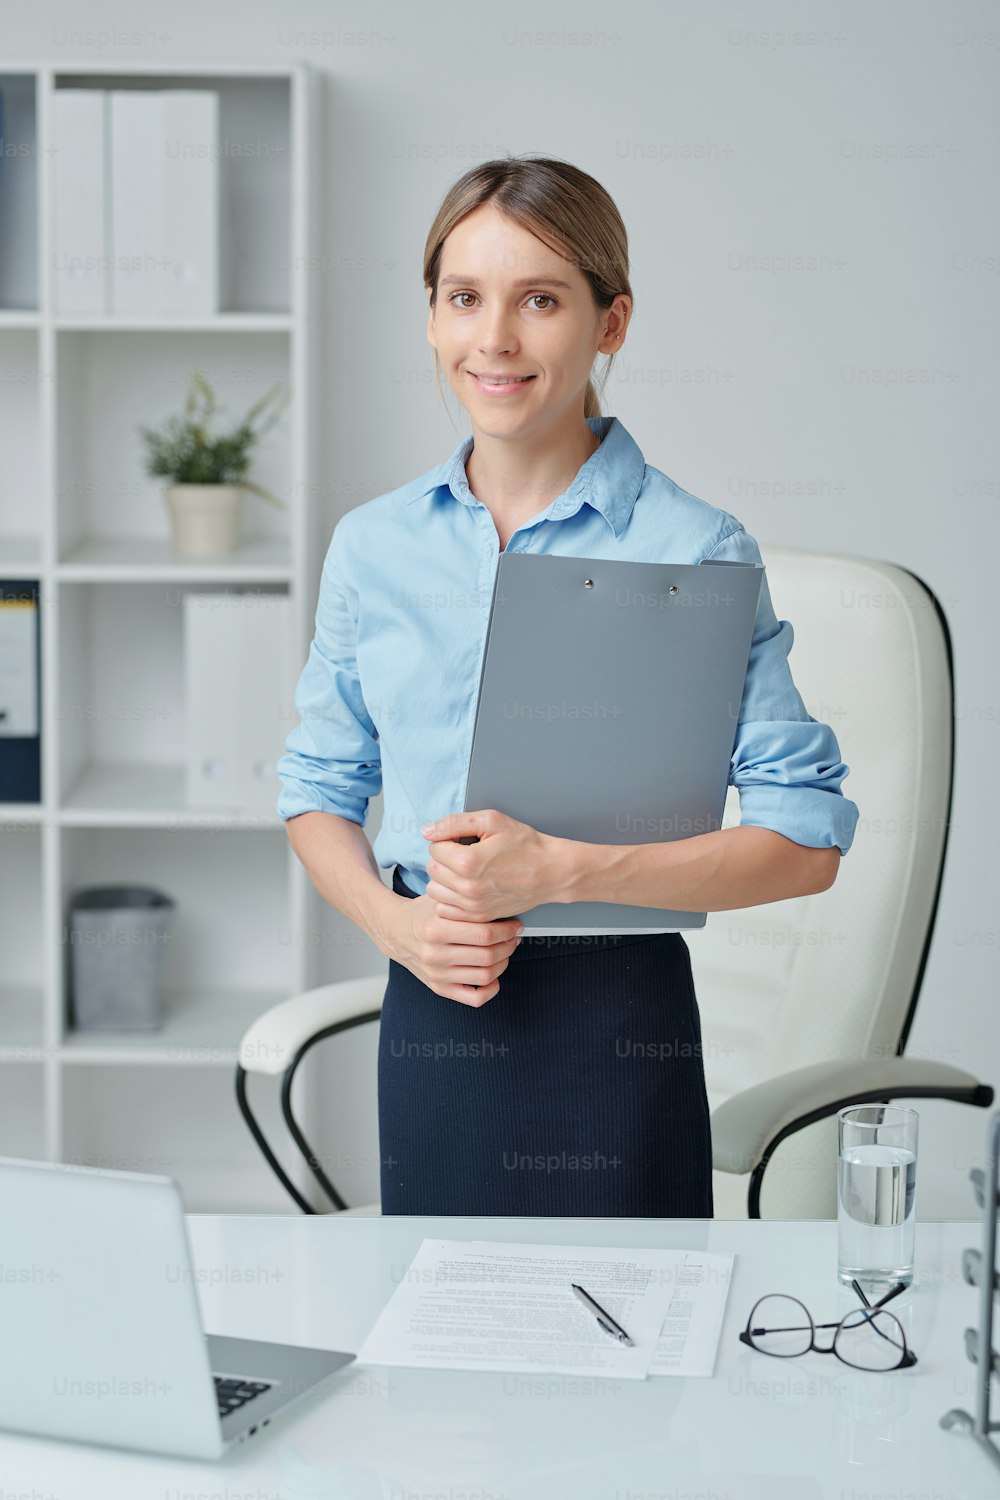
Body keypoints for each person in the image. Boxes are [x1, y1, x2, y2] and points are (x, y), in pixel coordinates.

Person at [276, 155, 860, 1218]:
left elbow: (806, 843)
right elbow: (317, 787)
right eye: (464, 298)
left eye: (539, 300)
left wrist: (560, 870)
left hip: (614, 1021)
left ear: (611, 323)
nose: (493, 340)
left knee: (635, 1354)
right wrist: (394, 927)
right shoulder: (374, 547)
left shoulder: (693, 547)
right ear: (432, 319)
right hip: (437, 998)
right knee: (442, 1352)